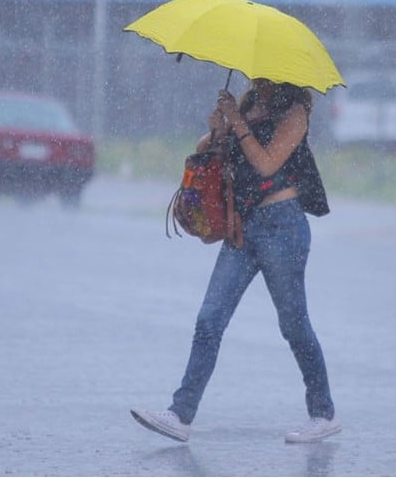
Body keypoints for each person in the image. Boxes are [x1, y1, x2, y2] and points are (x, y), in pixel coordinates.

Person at [131, 78, 340, 444]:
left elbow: (266, 164)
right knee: (210, 319)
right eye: (256, 72)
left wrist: (237, 123)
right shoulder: (246, 106)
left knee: (293, 324)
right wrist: (218, 129)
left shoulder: (295, 113)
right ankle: (180, 414)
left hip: (282, 225)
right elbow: (204, 148)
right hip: (242, 226)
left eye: (266, 72)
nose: (258, 78)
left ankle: (322, 413)